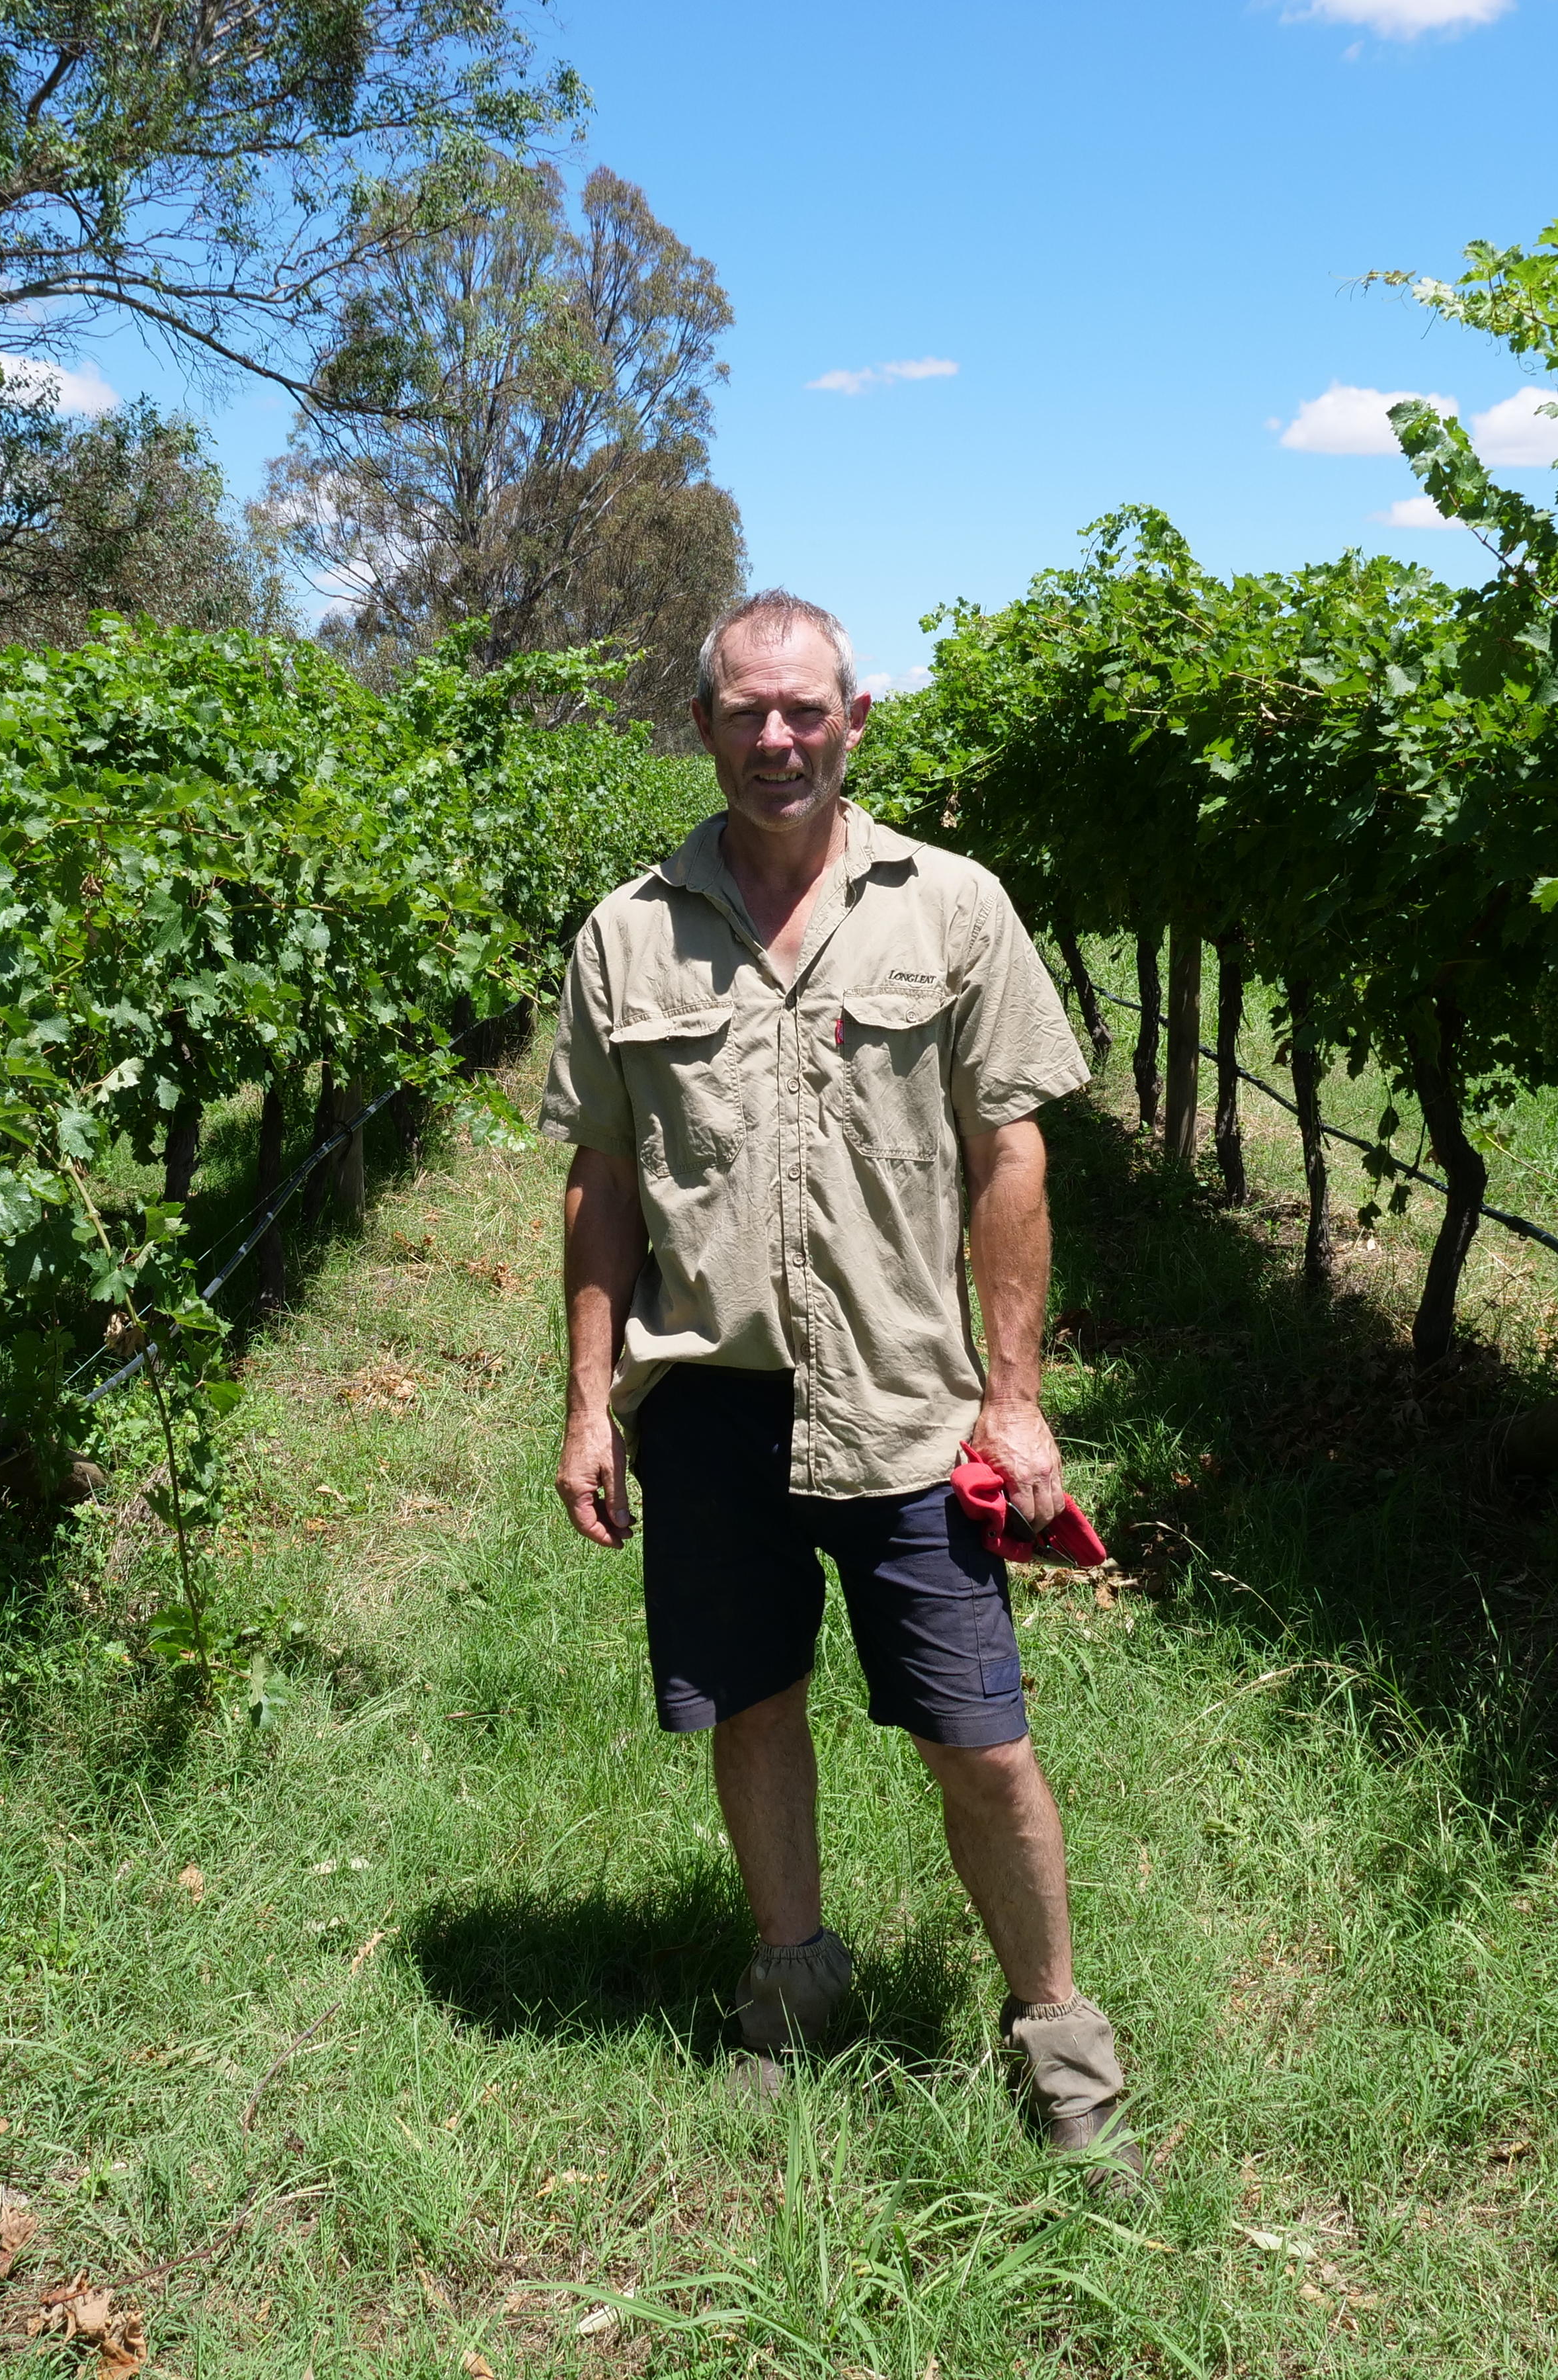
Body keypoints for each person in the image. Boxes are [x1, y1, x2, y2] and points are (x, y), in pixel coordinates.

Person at [538, 587, 1134, 2170]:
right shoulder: (625, 934)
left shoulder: (948, 908)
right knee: (753, 1703)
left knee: (978, 1735)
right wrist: (590, 1401)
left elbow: (1011, 1154)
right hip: (713, 1400)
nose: (778, 736)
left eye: (806, 709)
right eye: (747, 710)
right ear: (705, 727)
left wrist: (1014, 1398)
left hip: (909, 1396)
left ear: (855, 720)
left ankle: (1060, 2040)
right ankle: (794, 1992)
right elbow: (601, 1179)